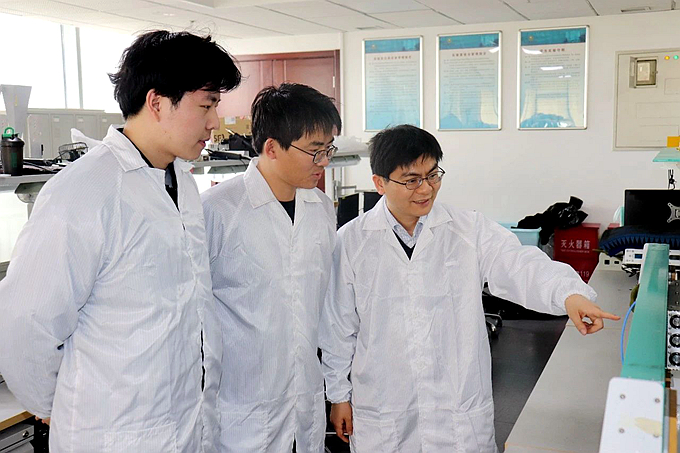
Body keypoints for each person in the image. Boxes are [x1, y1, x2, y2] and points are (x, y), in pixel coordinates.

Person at [0, 30, 241, 453]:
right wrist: (59, 406)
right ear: (157, 102)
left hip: (184, 427)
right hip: (111, 435)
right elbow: (24, 325)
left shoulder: (181, 183)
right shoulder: (84, 191)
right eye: (206, 105)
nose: (214, 123)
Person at [320, 124, 620, 453]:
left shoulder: (468, 229)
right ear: (380, 183)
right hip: (384, 407)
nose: (426, 189)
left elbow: (519, 264)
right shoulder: (352, 242)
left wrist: (568, 293)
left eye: (433, 175)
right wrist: (338, 395)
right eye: (411, 180)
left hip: (456, 407)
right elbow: (338, 326)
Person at [201, 83, 341, 452]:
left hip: (304, 407)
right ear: (272, 147)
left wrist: (338, 388)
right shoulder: (216, 211)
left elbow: (326, 308)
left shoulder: (321, 210)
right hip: (239, 415)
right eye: (314, 150)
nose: (324, 162)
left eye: (328, 149)